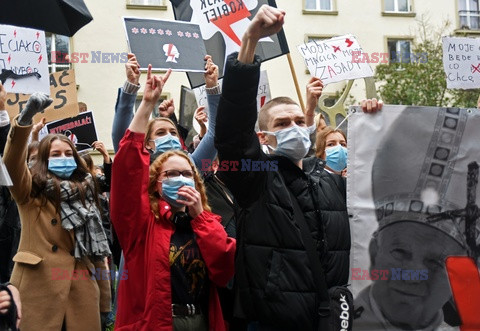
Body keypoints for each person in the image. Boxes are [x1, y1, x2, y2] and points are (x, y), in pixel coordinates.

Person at [215, 6, 382, 329]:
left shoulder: (329, 180)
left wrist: (375, 123)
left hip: (333, 319)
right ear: (264, 136)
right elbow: (233, 130)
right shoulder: (255, 179)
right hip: (274, 322)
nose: (294, 126)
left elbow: (384, 185)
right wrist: (249, 42)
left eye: (298, 121)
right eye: (283, 123)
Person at [110, 65, 235, 330]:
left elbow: (224, 269)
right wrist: (144, 102)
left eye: (186, 173)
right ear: (156, 182)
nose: (181, 178)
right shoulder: (141, 212)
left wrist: (212, 88)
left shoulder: (203, 216)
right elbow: (126, 160)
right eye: (171, 174)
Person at [3, 92, 111, 330]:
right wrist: (25, 119)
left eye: (68, 154)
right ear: (43, 159)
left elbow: (98, 256)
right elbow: (11, 165)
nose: (63, 158)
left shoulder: (88, 190)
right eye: (55, 154)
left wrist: (104, 304)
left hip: (82, 295)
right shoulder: (30, 191)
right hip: (38, 292)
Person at [111, 53, 220, 171]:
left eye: (173, 133)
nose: (169, 136)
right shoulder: (138, 166)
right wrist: (131, 85)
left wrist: (212, 85)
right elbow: (122, 138)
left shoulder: (192, 163)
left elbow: (215, 133)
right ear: (147, 143)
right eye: (160, 133)